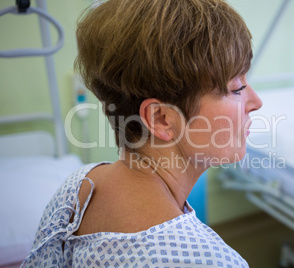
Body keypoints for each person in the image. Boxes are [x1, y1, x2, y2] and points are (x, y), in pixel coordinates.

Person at [22, 0, 262, 266]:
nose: (255, 102)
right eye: (237, 87)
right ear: (162, 119)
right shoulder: (210, 261)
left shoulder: (76, 189)